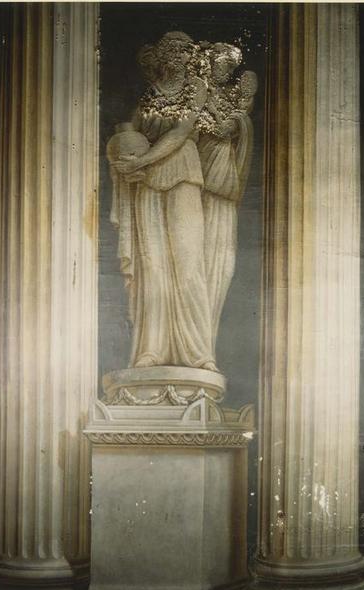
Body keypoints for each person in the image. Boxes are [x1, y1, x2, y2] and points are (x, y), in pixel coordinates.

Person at [110, 32, 218, 371]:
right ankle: (151, 349)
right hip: (147, 183)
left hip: (182, 171)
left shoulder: (196, 88)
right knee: (152, 267)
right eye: (172, 51)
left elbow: (181, 133)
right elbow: (129, 133)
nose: (178, 57)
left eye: (183, 52)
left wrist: (140, 161)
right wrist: (124, 158)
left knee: (188, 263)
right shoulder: (150, 94)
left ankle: (199, 353)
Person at [197, 42, 256, 344]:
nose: (225, 72)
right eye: (221, 65)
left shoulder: (230, 101)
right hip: (200, 175)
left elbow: (228, 128)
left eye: (230, 68)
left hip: (221, 176)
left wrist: (236, 119)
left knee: (219, 254)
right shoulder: (196, 95)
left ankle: (207, 330)